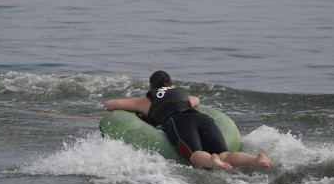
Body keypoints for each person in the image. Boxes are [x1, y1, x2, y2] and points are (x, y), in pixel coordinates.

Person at [103, 71, 273, 171]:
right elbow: (196, 99)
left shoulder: (147, 101)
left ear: (151, 87)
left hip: (180, 123)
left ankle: (210, 161)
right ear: (171, 84)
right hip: (202, 118)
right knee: (226, 155)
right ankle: (255, 160)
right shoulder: (183, 96)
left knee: (195, 155)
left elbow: (111, 105)